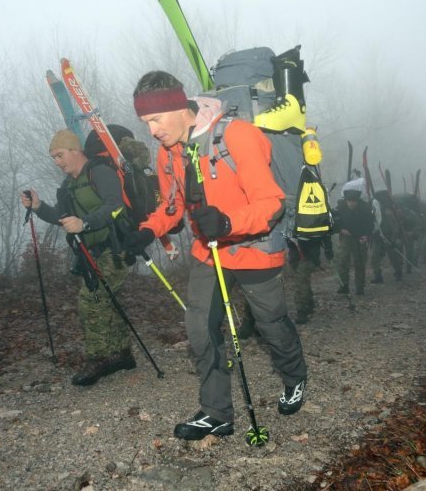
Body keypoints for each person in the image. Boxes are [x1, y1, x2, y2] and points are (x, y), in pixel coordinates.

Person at [122, 71, 308, 441]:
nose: (151, 130)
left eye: (155, 119)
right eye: (145, 122)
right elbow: (173, 208)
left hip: (254, 249)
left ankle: (295, 376)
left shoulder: (237, 135)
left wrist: (227, 222)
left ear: (179, 107)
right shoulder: (167, 153)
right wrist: (147, 229)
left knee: (271, 325)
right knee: (200, 330)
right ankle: (216, 413)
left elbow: (271, 205)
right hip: (208, 252)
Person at [20, 129, 135, 386]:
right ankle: (122, 354)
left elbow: (115, 206)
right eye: (53, 158)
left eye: (60, 155)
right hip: (92, 252)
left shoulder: (100, 172)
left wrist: (84, 223)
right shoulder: (68, 186)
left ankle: (99, 357)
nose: (57, 162)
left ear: (75, 150)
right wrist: (38, 207)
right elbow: (60, 218)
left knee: (91, 299)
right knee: (107, 299)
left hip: (115, 247)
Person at [335, 179, 376, 295]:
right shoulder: (341, 207)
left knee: (360, 263)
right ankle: (343, 286)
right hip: (346, 238)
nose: (351, 204)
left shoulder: (365, 208)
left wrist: (367, 236)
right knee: (343, 262)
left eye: (354, 201)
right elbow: (334, 222)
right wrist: (341, 230)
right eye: (349, 201)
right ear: (346, 200)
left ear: (357, 201)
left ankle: (360, 287)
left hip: (360, 238)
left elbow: (370, 224)